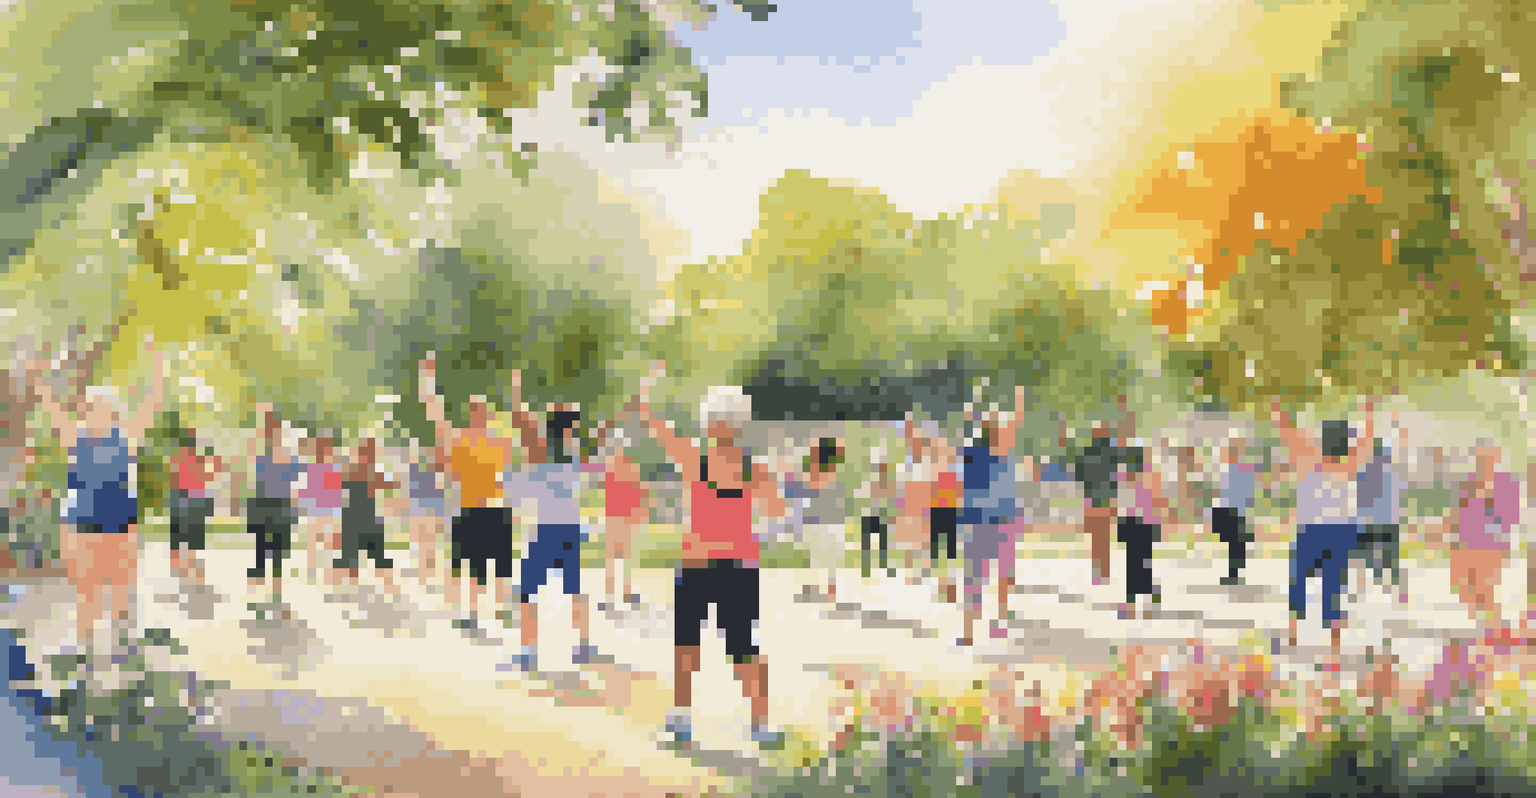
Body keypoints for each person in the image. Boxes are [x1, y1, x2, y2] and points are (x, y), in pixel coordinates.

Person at [630, 366, 788, 749]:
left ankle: (761, 722)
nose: (719, 428)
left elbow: (780, 509)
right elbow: (650, 419)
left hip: (735, 571)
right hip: (698, 568)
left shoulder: (754, 468)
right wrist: (648, 382)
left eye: (724, 421)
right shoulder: (700, 459)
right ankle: (681, 721)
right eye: (717, 421)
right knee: (687, 647)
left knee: (742, 649)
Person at [27, 334, 167, 665]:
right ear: (85, 412)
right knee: (87, 591)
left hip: (120, 525)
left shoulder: (127, 438)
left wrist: (156, 364)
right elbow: (49, 403)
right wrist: (37, 373)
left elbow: (152, 402)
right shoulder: (75, 436)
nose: (97, 413)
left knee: (120, 590)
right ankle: (86, 649)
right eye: (91, 408)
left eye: (103, 408)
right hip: (80, 524)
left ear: (114, 414)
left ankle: (123, 645)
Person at [418, 353, 520, 635]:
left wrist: (515, 390)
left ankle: (499, 612)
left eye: (481, 412)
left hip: (492, 509)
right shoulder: (462, 439)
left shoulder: (495, 441)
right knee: (477, 569)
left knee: (497, 568)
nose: (480, 416)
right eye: (478, 412)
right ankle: (477, 616)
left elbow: (517, 419)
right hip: (474, 510)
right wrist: (427, 380)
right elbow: (434, 411)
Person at [1273, 396, 1374, 667]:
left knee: (1299, 581)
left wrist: (1280, 409)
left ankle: (1294, 633)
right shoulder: (1351, 465)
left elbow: (1288, 436)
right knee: (1333, 587)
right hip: (1341, 532)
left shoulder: (1308, 461)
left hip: (1311, 531)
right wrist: (1369, 411)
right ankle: (1334, 646)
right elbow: (1366, 444)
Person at [502, 400, 602, 672]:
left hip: (548, 530)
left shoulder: (543, 453)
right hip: (569, 529)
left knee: (527, 591)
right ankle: (583, 646)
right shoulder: (573, 455)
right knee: (574, 588)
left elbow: (517, 489)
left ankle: (528, 652)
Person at [958, 386, 1027, 646]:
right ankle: (978, 629)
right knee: (986, 578)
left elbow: (1009, 422)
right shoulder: (986, 454)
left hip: (989, 522)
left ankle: (982, 628)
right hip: (988, 523)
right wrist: (1017, 394)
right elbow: (1014, 420)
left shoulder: (973, 454)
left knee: (988, 578)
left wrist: (977, 404)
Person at [241, 405, 304, 614]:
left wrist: (293, 510)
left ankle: (275, 596)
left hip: (279, 505)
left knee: (274, 552)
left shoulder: (286, 456)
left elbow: (294, 485)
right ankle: (262, 596)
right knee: (261, 552)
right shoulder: (262, 453)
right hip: (264, 504)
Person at [1451, 440, 1519, 629]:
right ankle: (1480, 623)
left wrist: (1488, 499)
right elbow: (1458, 512)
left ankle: (1490, 627)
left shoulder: (1505, 484)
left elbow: (1510, 518)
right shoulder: (1468, 482)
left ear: (1495, 458)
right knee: (1465, 588)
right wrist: (1454, 539)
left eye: (1488, 457)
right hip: (1465, 544)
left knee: (1485, 589)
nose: (1484, 461)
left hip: (1490, 546)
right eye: (1480, 457)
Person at [782, 436, 849, 604]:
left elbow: (804, 491)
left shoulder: (821, 474)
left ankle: (828, 590)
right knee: (821, 557)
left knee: (824, 557)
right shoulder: (829, 473)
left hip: (823, 521)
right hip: (825, 520)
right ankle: (820, 588)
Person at [336, 434, 401, 599]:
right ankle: (355, 582)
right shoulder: (358, 471)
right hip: (357, 515)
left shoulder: (360, 471)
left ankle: (365, 582)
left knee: (368, 549)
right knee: (357, 549)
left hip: (362, 515)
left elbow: (388, 484)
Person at [168, 427, 228, 603]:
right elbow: (209, 475)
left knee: (183, 544)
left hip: (188, 501)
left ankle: (186, 581)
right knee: (186, 544)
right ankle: (189, 581)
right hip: (190, 501)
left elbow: (207, 476)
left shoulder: (182, 459)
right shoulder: (192, 460)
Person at [905, 415, 961, 602]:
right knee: (941, 547)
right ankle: (943, 581)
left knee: (943, 547)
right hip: (942, 505)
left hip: (944, 506)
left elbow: (943, 483)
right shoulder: (935, 459)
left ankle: (946, 582)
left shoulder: (939, 458)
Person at [598, 422, 648, 609]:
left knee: (616, 558)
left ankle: (617, 594)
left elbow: (639, 490)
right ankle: (619, 594)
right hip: (621, 517)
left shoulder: (611, 467)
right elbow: (640, 490)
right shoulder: (624, 467)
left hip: (618, 517)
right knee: (620, 558)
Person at [1351, 427, 1403, 604]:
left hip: (1371, 520)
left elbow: (1362, 496)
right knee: (1388, 555)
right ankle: (1392, 586)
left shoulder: (1366, 472)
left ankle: (1371, 584)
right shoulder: (1390, 472)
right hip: (1386, 520)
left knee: (1370, 554)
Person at [1116, 440, 1166, 620]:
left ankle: (1143, 601)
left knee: (1137, 564)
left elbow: (1123, 504)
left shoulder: (1140, 479)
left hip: (1139, 525)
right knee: (1138, 564)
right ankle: (1139, 602)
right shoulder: (1142, 479)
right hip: (1140, 525)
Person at [298, 432, 348, 588]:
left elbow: (337, 491)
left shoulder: (333, 468)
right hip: (320, 511)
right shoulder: (318, 468)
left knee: (326, 545)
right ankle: (314, 574)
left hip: (328, 511)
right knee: (316, 544)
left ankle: (325, 575)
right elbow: (311, 490)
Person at [1209, 435, 1258, 586]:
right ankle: (1235, 571)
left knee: (1235, 543)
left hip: (1235, 510)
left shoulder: (1242, 469)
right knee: (1234, 541)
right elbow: (1220, 491)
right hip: (1228, 509)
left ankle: (1234, 573)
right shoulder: (1225, 469)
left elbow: (1248, 493)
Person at [405, 435, 450, 591]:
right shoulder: (418, 468)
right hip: (426, 511)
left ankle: (428, 575)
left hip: (429, 511)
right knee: (427, 544)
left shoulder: (418, 468)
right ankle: (426, 575)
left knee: (429, 544)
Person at [856, 443, 898, 579]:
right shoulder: (868, 479)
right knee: (868, 543)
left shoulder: (887, 482)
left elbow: (891, 497)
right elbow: (862, 495)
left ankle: (884, 566)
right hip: (869, 514)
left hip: (882, 514)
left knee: (884, 543)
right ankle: (867, 568)